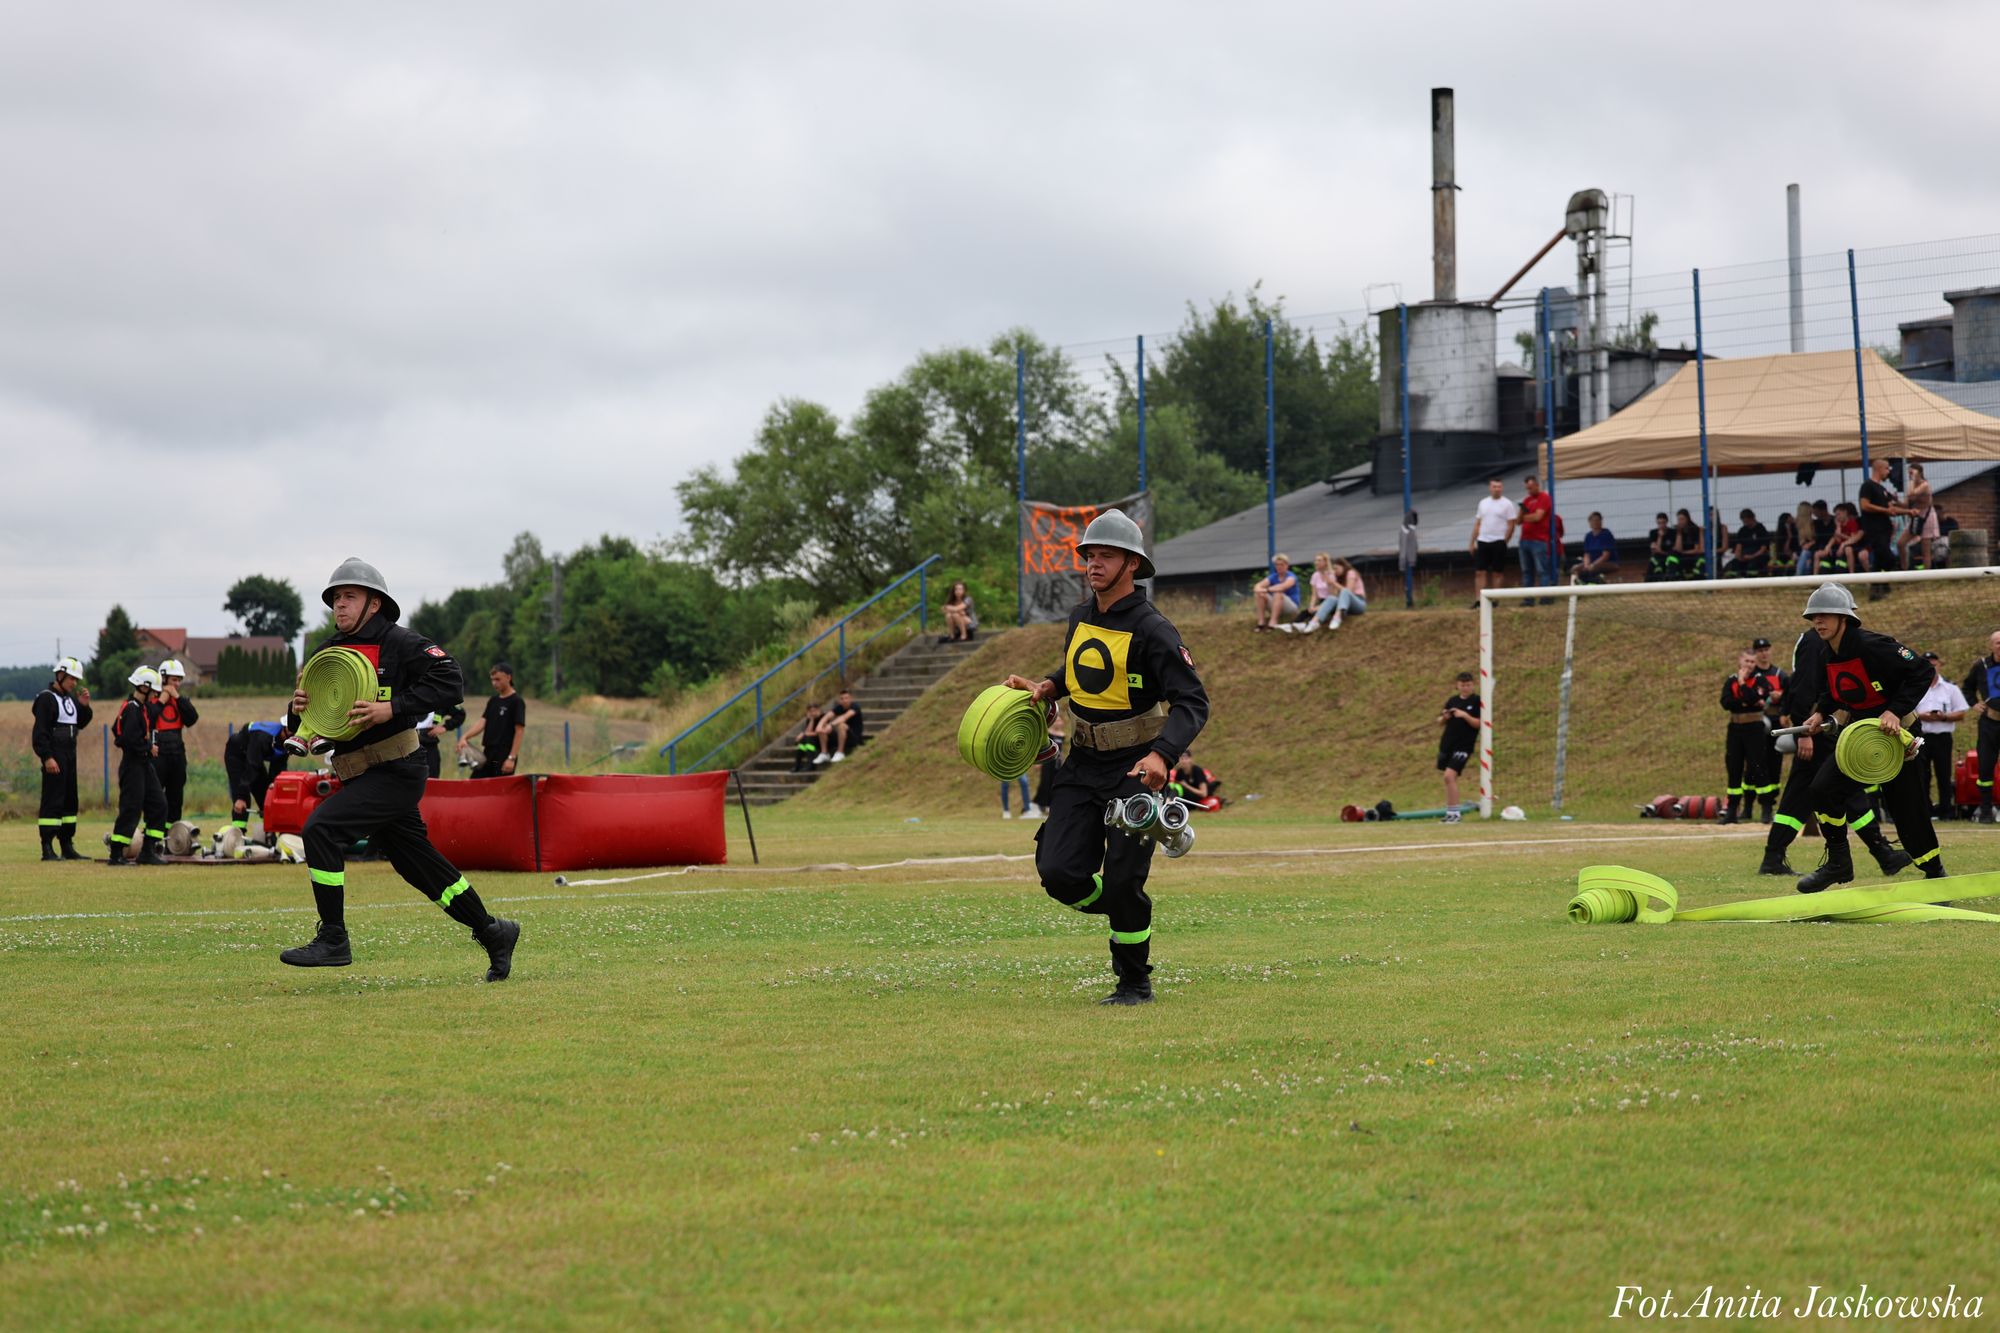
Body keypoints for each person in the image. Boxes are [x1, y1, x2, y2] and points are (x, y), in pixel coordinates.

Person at [1001, 509, 1209, 1005]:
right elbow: (1081, 672)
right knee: (1058, 873)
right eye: (1090, 555)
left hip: (1136, 771)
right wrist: (1048, 685)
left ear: (1132, 564)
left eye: (1106, 555)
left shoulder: (1155, 629)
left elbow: (1192, 701)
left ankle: (1134, 982)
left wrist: (1163, 756)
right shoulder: (1080, 617)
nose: (1093, 563)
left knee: (1122, 877)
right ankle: (1125, 905)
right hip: (1081, 763)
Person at [281, 557, 519, 979]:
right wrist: (297, 709)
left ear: (374, 603)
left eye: (349, 596)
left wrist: (391, 708)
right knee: (418, 864)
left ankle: (333, 938)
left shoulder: (403, 643)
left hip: (398, 769)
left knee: (321, 829)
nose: (339, 605)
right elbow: (309, 723)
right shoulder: (327, 652)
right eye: (336, 598)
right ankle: (493, 931)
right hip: (359, 773)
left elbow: (451, 683)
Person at [1791, 582, 1945, 890]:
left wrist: (1894, 711)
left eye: (1825, 615)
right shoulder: (1826, 651)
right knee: (1823, 789)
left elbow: (1922, 671)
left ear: (1844, 618)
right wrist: (1820, 712)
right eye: (1814, 617)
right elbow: (1831, 690)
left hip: (1897, 735)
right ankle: (1838, 864)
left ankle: (1935, 876)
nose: (1818, 621)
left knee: (1907, 809)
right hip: (1860, 735)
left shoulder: (1873, 644)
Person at [1755, 623, 1917, 880]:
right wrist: (1804, 733)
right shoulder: (1815, 642)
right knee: (1846, 790)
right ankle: (1882, 853)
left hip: (1821, 729)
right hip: (1815, 731)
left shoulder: (1829, 642)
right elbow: (1805, 687)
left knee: (1803, 794)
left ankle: (1773, 855)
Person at [31, 657, 92, 860]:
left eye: (76, 679)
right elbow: (40, 733)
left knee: (69, 801)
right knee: (53, 800)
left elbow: (79, 723)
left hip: (70, 755)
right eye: (71, 678)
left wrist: (83, 706)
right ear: (60, 675)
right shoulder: (46, 698)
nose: (74, 683)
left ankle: (67, 845)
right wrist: (47, 757)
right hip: (55, 754)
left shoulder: (70, 699)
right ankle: (47, 846)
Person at [108, 665, 169, 866]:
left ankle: (148, 851)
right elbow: (126, 738)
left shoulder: (140, 708)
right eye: (153, 691)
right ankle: (116, 853)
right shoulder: (132, 709)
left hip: (143, 764)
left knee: (158, 804)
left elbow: (115, 730)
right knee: (131, 807)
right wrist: (148, 747)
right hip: (133, 764)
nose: (155, 695)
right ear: (144, 687)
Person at [1719, 650, 1773, 824]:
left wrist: (1743, 686)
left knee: (1759, 766)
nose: (1749, 665)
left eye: (1752, 661)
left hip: (1754, 728)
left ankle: (1766, 809)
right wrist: (1747, 700)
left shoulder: (1759, 680)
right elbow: (1726, 702)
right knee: (1734, 767)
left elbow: (1755, 697)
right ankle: (1732, 811)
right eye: (1746, 661)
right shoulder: (1730, 679)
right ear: (1739, 661)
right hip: (1735, 728)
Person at [145, 658, 200, 824]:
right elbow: (150, 718)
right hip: (158, 753)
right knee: (154, 795)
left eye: (179, 681)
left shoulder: (180, 701)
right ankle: (153, 834)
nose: (176, 684)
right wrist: (162, 700)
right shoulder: (152, 701)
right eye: (173, 680)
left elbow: (192, 718)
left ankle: (173, 834)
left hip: (177, 753)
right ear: (163, 679)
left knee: (175, 796)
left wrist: (177, 697)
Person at [1914, 651, 1967, 818]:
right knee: (1922, 774)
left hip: (1942, 736)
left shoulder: (1950, 688)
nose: (1931, 668)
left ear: (1939, 665)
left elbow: (1961, 713)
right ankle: (1925, 809)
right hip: (1921, 736)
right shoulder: (1915, 686)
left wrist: (1943, 716)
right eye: (1927, 665)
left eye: (1934, 665)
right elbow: (1907, 711)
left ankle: (1946, 809)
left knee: (1943, 773)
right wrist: (1923, 716)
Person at [458, 663, 526, 779]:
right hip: (488, 752)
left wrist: (511, 758)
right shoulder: (493, 701)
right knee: (475, 784)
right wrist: (465, 737)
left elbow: (519, 731)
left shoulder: (517, 701)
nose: (494, 683)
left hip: (504, 754)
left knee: (500, 791)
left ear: (509, 677)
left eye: (498, 679)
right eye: (492, 680)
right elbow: (482, 722)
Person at [223, 720, 290, 834]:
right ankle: (238, 833)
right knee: (242, 800)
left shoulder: (287, 743)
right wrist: (240, 795)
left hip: (254, 759)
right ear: (285, 728)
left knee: (266, 797)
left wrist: (274, 794)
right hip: (236, 754)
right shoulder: (262, 737)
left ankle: (270, 834)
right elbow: (252, 765)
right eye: (291, 733)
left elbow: (277, 772)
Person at [1748, 637, 1788, 823]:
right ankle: (1752, 806)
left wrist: (1783, 708)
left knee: (1775, 764)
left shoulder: (1779, 674)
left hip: (1777, 722)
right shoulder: (1751, 674)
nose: (1763, 653)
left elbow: (1790, 696)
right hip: (1757, 724)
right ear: (1755, 653)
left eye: (1766, 649)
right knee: (1756, 764)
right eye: (1759, 650)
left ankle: (1770, 805)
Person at [1963, 628, 2000, 823]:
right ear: (1991, 645)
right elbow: (1967, 686)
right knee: (1985, 767)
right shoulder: (1982, 666)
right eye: (1998, 642)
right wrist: (1973, 703)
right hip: (1990, 724)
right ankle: (1986, 810)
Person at [1436, 671, 1480, 824]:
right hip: (1448, 744)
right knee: (1449, 779)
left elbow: (1479, 724)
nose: (1465, 688)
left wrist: (1465, 715)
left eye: (1468, 685)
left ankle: (1455, 814)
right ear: (1457, 685)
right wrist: (1445, 717)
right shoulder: (1452, 700)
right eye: (1462, 685)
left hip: (1464, 746)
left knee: (1448, 776)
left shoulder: (1477, 701)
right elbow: (1440, 721)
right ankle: (1451, 812)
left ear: (1473, 685)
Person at [1468, 478, 1518, 604]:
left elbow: (1511, 524)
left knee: (1497, 572)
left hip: (1499, 541)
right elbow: (1478, 523)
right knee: (1480, 571)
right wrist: (1472, 542)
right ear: (1490, 488)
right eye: (1494, 486)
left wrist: (1505, 540)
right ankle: (1479, 600)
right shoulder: (1483, 503)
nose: (1497, 489)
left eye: (1499, 487)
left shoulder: (1507, 504)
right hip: (1483, 541)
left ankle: (1495, 599)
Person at [1856, 457, 1898, 583]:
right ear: (1879, 469)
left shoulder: (1883, 489)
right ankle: (1885, 582)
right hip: (1875, 531)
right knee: (1888, 558)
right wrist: (1885, 511)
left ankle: (1878, 588)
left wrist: (1910, 512)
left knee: (1879, 561)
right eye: (1886, 469)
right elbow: (1864, 505)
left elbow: (1893, 507)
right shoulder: (1868, 486)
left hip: (1885, 531)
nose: (1888, 472)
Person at [1514, 473, 1554, 597]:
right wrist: (1523, 512)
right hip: (1525, 539)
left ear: (1537, 485)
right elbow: (1518, 521)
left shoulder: (1544, 498)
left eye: (1531, 487)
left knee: (1542, 570)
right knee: (1527, 571)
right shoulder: (1527, 500)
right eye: (1527, 488)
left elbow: (1538, 517)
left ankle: (1545, 597)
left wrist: (1525, 517)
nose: (1529, 490)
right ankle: (1528, 598)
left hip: (1539, 540)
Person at [1303, 557, 1366, 633]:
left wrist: (1333, 583)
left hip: (1358, 603)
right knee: (1331, 598)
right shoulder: (1337, 578)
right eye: (1333, 569)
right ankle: (1314, 622)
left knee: (1345, 591)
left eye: (1336, 568)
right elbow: (1335, 595)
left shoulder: (1351, 573)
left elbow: (1349, 592)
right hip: (1346, 606)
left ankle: (1337, 617)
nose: (1335, 571)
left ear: (1343, 566)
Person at [1896, 463, 1936, 570]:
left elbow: (1911, 494)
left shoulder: (1924, 485)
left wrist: (1912, 480)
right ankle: (1904, 569)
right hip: (1915, 516)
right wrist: (1895, 500)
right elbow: (1906, 504)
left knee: (1925, 549)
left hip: (1926, 517)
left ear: (1920, 473)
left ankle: (1926, 575)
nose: (1910, 475)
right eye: (1909, 473)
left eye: (1912, 472)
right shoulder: (1912, 485)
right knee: (1900, 543)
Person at [1288, 553, 1339, 633]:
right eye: (1316, 560)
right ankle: (1293, 625)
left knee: (1317, 612)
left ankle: (1309, 625)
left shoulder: (1331, 575)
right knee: (1306, 612)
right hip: (1321, 601)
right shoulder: (1315, 575)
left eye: (1319, 560)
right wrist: (1311, 606)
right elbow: (1314, 594)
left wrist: (1329, 584)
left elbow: (1334, 595)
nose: (1316, 562)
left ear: (1325, 562)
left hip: (1330, 602)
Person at [813, 688, 865, 764]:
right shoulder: (839, 707)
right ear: (839, 700)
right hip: (841, 736)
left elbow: (844, 717)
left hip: (854, 737)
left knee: (841, 725)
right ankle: (824, 753)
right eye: (842, 699)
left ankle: (840, 752)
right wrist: (819, 726)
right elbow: (827, 716)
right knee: (823, 727)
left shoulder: (855, 707)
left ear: (851, 699)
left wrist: (831, 725)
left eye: (846, 698)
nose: (844, 700)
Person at [417, 703, 468, 778]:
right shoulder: (405, 693)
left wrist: (445, 727)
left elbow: (460, 714)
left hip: (429, 745)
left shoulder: (439, 695)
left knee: (432, 780)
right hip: (404, 746)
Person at [1251, 554, 1299, 630]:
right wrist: (1259, 589)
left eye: (1281, 565)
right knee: (1260, 594)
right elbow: (1258, 586)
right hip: (1276, 603)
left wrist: (1267, 589)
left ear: (1287, 565)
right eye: (1277, 565)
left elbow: (1283, 586)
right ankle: (1261, 622)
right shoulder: (1273, 576)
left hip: (1290, 607)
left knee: (1278, 593)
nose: (1279, 567)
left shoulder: (1291, 576)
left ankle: (1273, 622)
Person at [1814, 503, 1862, 574]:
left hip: (1849, 547)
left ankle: (1852, 573)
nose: (1837, 517)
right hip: (1837, 548)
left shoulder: (1852, 523)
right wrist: (1828, 546)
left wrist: (1841, 536)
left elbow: (1852, 538)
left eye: (1839, 514)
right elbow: (1836, 538)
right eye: (1836, 515)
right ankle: (1814, 577)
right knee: (1817, 554)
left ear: (1845, 512)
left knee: (1848, 549)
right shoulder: (1838, 525)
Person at [1573, 512, 1617, 584]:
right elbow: (1587, 554)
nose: (1595, 522)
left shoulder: (1606, 534)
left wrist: (1593, 565)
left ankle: (1599, 583)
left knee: (1593, 569)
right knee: (1576, 569)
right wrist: (1586, 565)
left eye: (1597, 520)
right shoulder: (1588, 536)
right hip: (1591, 563)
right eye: (1592, 520)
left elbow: (1605, 555)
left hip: (1607, 563)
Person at [1727, 509, 1770, 579]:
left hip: (1758, 556)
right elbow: (1739, 546)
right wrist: (1739, 557)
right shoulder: (1742, 530)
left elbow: (1763, 548)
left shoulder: (1761, 529)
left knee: (1752, 565)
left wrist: (1752, 556)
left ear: (1752, 518)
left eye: (1747, 521)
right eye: (1744, 521)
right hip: (1745, 556)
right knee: (1733, 564)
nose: (1745, 523)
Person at [1669, 508, 1704, 580]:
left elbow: (1698, 549)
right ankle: (1674, 579)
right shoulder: (1675, 531)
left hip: (1692, 556)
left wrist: (1684, 552)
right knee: (1672, 557)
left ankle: (1697, 579)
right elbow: (1678, 549)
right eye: (1678, 519)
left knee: (1701, 559)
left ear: (1687, 519)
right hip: (1682, 556)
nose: (1680, 522)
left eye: (1682, 519)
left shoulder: (1694, 529)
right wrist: (1679, 534)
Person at [791, 702, 826, 771]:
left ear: (819, 710)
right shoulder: (810, 719)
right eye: (811, 711)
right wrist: (811, 720)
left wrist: (804, 734)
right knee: (803, 741)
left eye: (814, 711)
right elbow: (808, 731)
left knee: (807, 739)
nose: (813, 713)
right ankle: (797, 765)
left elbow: (821, 732)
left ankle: (811, 765)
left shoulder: (823, 717)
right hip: (812, 740)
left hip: (823, 740)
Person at [1645, 513, 1674, 581]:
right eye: (1659, 523)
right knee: (1654, 561)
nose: (1661, 525)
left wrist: (1661, 551)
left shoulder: (1672, 533)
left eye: (1663, 523)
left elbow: (1673, 551)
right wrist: (1660, 537)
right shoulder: (1653, 533)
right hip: (1658, 558)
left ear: (1667, 522)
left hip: (1668, 558)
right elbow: (1655, 551)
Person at [1773, 511, 1802, 576]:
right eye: (1790, 517)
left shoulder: (1795, 531)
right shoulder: (1780, 534)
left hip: (1793, 556)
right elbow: (1784, 550)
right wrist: (1789, 537)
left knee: (1791, 568)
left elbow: (1796, 547)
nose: (1792, 518)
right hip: (1782, 558)